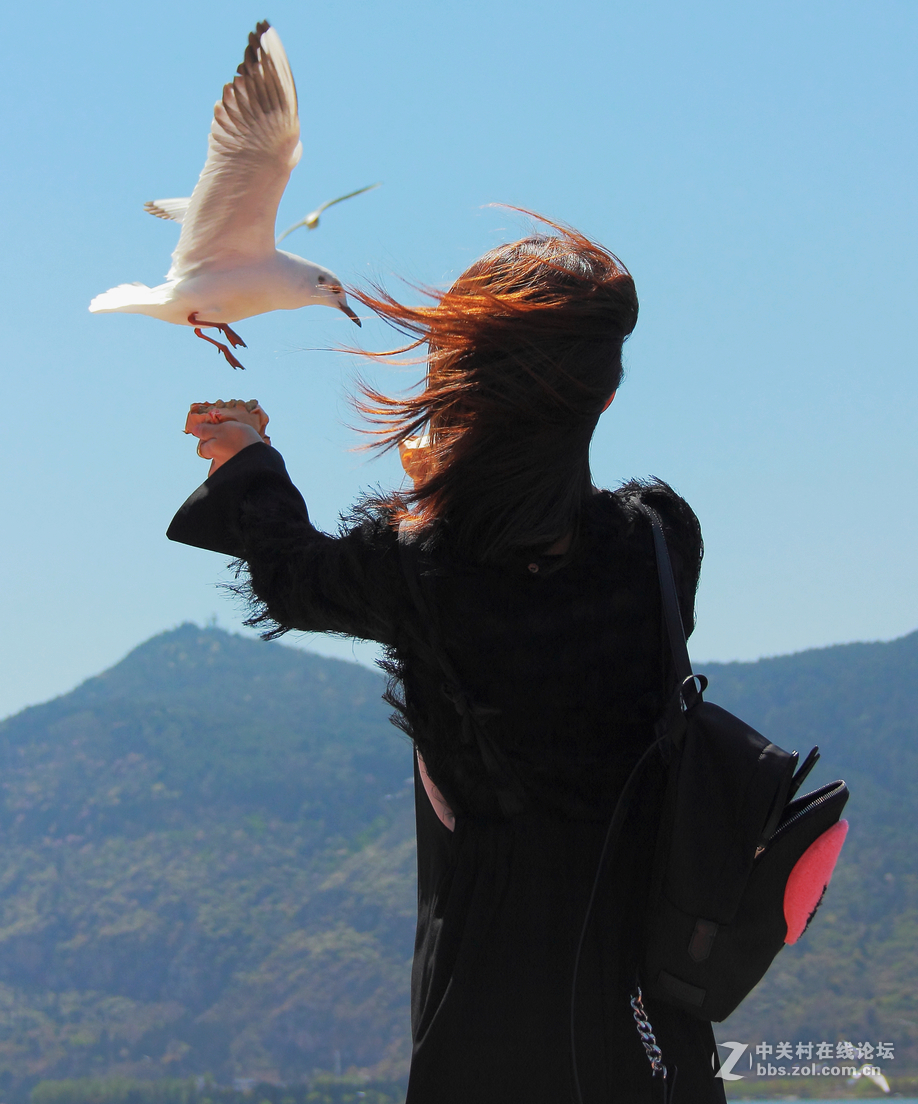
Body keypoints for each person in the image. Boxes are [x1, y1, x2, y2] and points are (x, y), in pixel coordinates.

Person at [168, 222, 726, 1103]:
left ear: (458, 383)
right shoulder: (660, 538)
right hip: (650, 998)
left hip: (491, 994)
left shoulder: (423, 565)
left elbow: (292, 577)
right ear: (605, 396)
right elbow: (555, 596)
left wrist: (247, 456)